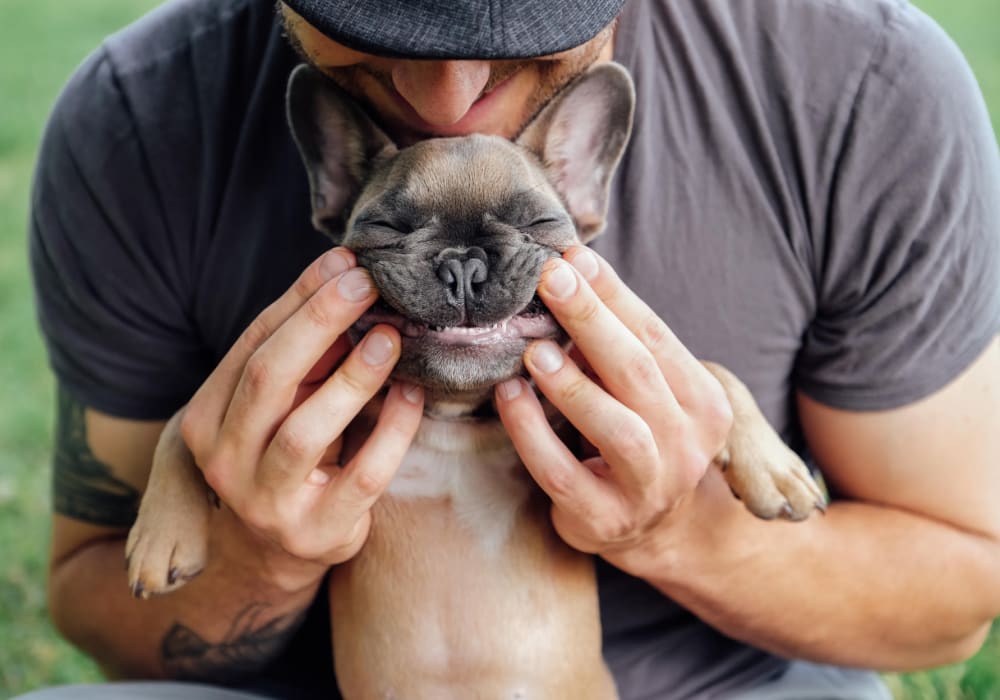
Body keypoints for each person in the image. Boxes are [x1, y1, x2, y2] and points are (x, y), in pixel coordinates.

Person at [24, 0, 1000, 697]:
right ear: (336, 195)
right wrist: (257, 557)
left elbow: (956, 601)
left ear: (583, 185)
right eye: (371, 24)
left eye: (530, 32)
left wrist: (688, 533)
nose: (448, 94)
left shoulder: (861, 84)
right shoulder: (137, 114)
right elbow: (94, 585)